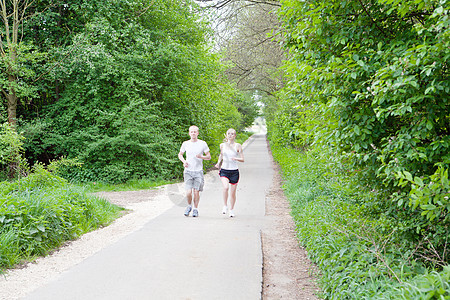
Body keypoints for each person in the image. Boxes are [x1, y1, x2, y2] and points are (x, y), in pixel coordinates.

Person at [178, 125, 211, 217]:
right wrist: (184, 162)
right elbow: (180, 154)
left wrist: (202, 157)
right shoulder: (185, 143)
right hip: (188, 171)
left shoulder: (202, 143)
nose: (193, 133)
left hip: (198, 171)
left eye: (195, 132)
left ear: (198, 133)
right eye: (191, 132)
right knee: (188, 192)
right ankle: (189, 206)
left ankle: (195, 209)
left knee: (196, 191)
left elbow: (209, 156)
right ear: (189, 133)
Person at [214, 128, 244, 217]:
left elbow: (242, 159)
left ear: (235, 136)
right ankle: (225, 206)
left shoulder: (238, 146)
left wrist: (236, 158)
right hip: (224, 170)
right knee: (226, 187)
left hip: (234, 171)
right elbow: (221, 155)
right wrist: (218, 162)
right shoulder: (222, 145)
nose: (230, 135)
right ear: (226, 135)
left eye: (232, 134)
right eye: (229, 133)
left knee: (233, 193)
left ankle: (231, 209)